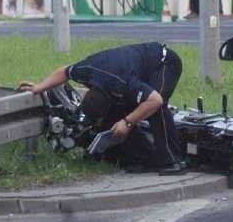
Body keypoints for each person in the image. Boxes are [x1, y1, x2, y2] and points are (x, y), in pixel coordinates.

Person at [19, 42, 186, 175]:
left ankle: (173, 161)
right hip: (130, 70)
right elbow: (63, 72)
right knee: (117, 114)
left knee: (156, 108)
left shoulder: (123, 83)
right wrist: (39, 88)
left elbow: (154, 101)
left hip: (164, 62)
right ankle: (141, 159)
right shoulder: (87, 70)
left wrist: (127, 122)